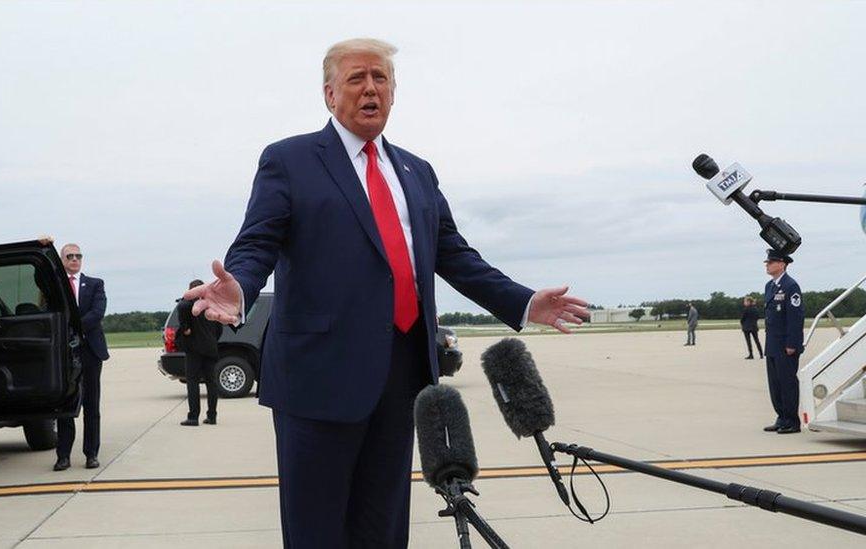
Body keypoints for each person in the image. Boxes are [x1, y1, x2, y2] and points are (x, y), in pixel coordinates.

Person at [186, 38, 590, 548]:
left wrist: (524, 301)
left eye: (381, 79)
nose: (370, 88)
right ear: (330, 94)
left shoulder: (416, 172)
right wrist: (240, 287)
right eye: (357, 79)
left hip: (400, 378)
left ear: (394, 94)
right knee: (317, 533)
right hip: (319, 380)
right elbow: (257, 242)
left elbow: (455, 255)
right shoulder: (289, 161)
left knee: (384, 531)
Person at [54, 243, 109, 470]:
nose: (75, 259)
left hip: (90, 350)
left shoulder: (95, 284)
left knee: (91, 404)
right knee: (65, 404)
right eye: (69, 256)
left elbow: (97, 313)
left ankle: (91, 454)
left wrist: (74, 328)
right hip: (65, 352)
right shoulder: (56, 284)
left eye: (78, 256)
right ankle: (63, 456)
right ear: (62, 259)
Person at [762, 249, 804, 434]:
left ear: (782, 264)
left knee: (787, 383)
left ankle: (792, 421)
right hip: (772, 344)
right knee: (775, 384)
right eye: (767, 262)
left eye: (771, 262)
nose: (767, 265)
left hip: (786, 345)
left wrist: (792, 344)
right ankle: (781, 417)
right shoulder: (769, 286)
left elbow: (795, 318)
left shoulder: (791, 286)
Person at [176, 279, 222, 426]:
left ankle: (193, 416)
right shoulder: (211, 306)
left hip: (194, 350)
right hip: (211, 348)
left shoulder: (187, 305)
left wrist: (184, 328)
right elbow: (219, 330)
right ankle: (212, 416)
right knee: (211, 383)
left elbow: (182, 306)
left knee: (193, 382)